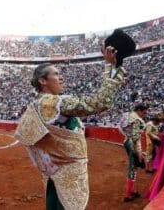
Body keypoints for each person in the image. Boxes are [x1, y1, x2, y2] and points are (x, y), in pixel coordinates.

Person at [15, 29, 134, 210]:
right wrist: (112, 69)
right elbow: (99, 103)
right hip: (68, 172)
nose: (61, 77)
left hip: (53, 172)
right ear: (43, 81)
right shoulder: (56, 103)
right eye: (55, 74)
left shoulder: (37, 104)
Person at [120, 103, 147, 202]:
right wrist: (139, 153)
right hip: (133, 144)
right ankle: (127, 195)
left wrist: (128, 134)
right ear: (139, 110)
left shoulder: (127, 115)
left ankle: (132, 190)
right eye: (144, 112)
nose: (144, 114)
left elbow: (121, 128)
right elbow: (135, 137)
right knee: (133, 167)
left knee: (134, 167)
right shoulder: (136, 119)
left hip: (127, 140)